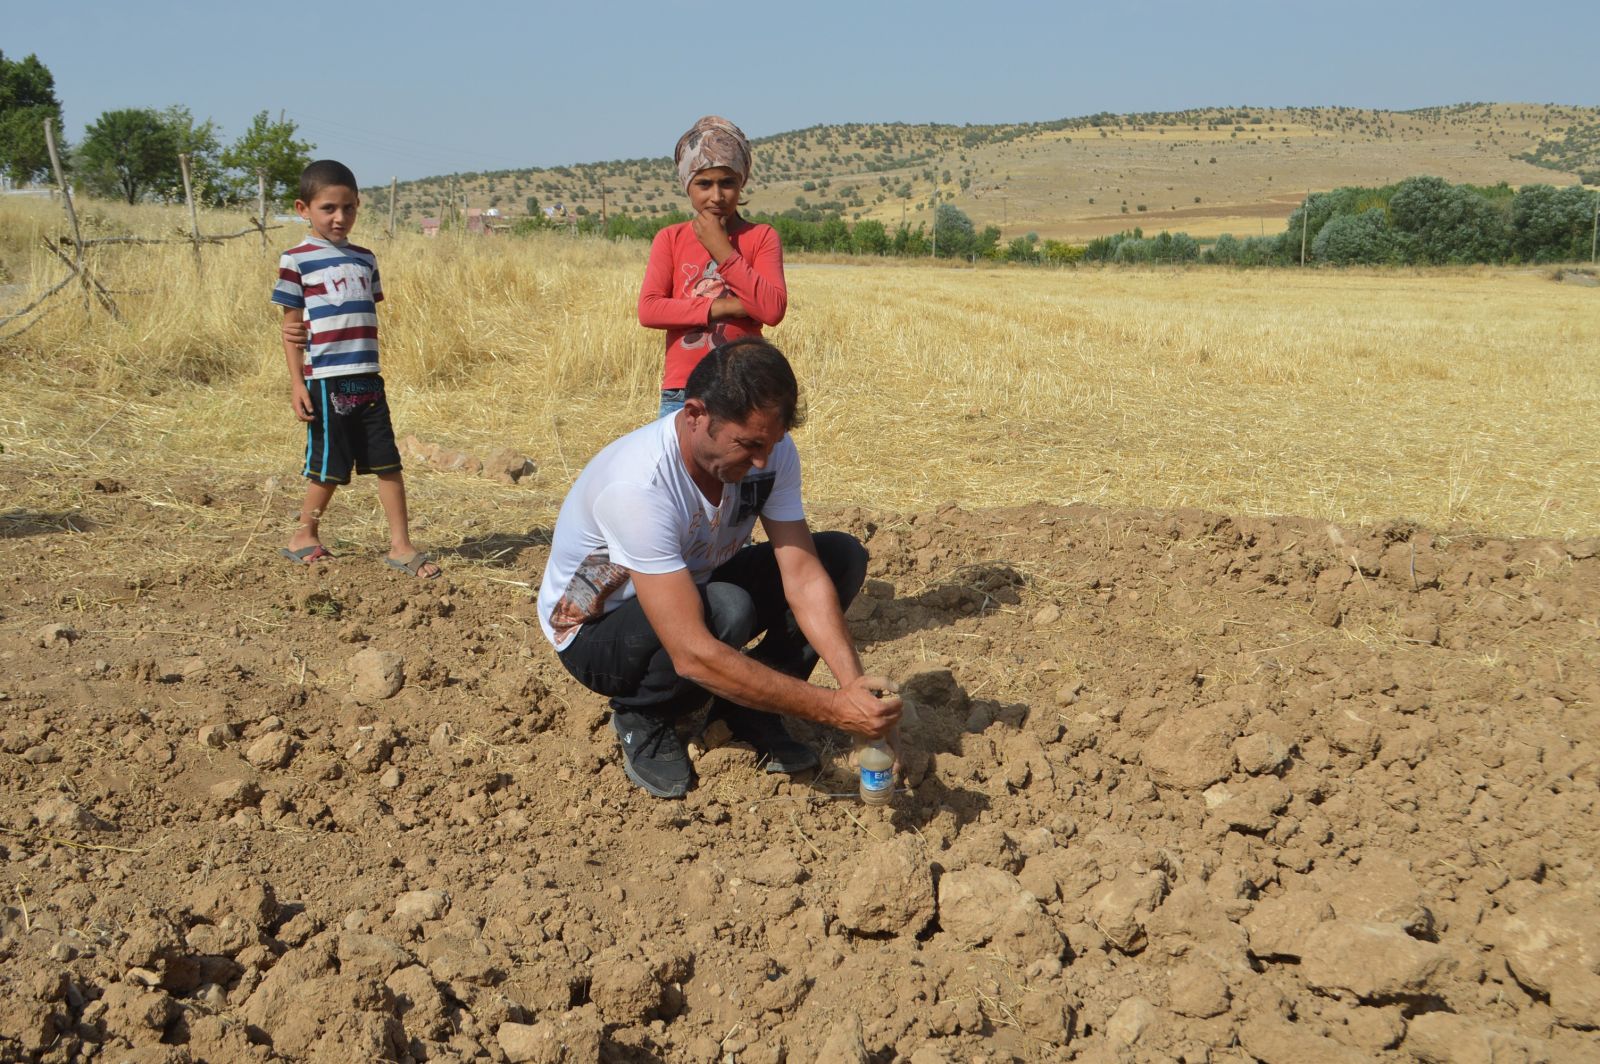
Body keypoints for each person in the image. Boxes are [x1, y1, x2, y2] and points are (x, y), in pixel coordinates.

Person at [537, 337, 900, 798]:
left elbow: (804, 579)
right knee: (728, 609)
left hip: (691, 585)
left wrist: (857, 692)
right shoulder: (638, 484)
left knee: (839, 558)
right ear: (694, 415)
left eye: (772, 443)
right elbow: (690, 651)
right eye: (748, 445)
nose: (762, 462)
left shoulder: (768, 455)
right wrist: (831, 709)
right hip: (596, 631)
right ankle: (644, 714)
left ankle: (747, 713)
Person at [272, 159, 440, 579]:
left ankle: (401, 546)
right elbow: (291, 329)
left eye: (348, 208)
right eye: (328, 208)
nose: (339, 217)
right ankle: (303, 536)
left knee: (389, 463)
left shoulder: (366, 259)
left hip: (368, 378)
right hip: (326, 382)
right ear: (303, 208)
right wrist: (297, 383)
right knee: (329, 466)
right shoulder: (296, 260)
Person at [640, 116, 787, 420]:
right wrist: (725, 308)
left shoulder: (761, 238)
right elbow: (650, 310)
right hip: (684, 391)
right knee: (682, 468)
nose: (717, 196)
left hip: (745, 387)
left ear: (742, 181)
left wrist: (722, 249)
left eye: (727, 183)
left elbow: (771, 310)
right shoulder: (670, 238)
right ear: (687, 185)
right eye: (704, 184)